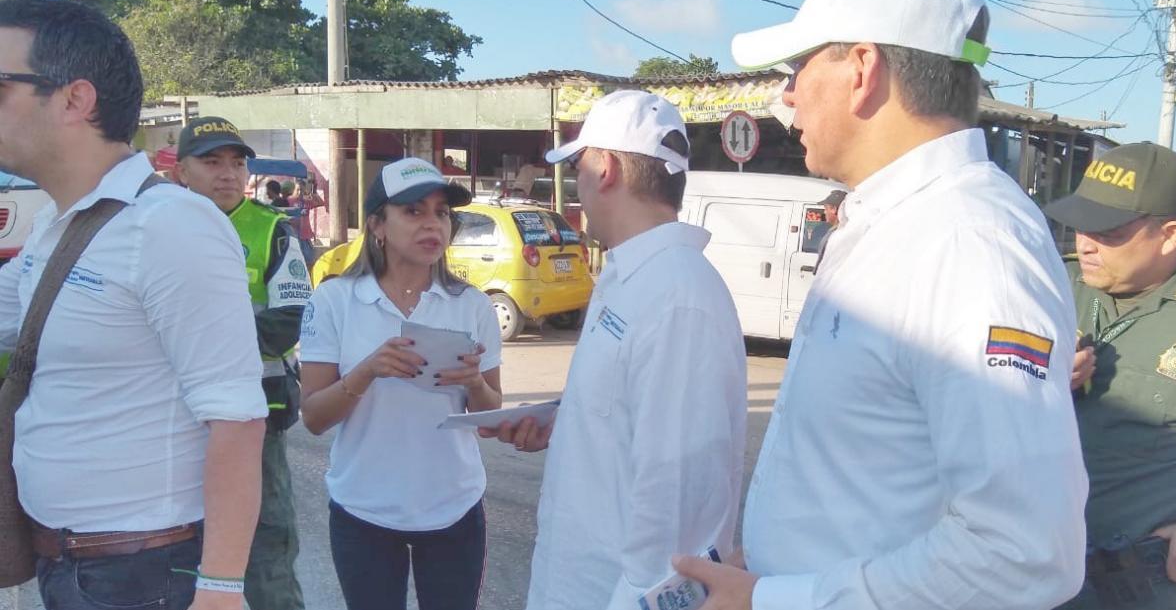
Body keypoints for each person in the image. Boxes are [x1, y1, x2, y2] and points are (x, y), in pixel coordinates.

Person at [675, 0, 1088, 610]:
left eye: (798, 66)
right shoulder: (892, 221)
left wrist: (780, 598)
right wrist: (775, 571)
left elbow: (1024, 550)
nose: (786, 98)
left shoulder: (969, 243)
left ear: (862, 68)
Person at [0, 0, 266, 608]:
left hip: (139, 574)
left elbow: (238, 418)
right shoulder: (60, 225)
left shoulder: (170, 225)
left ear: (74, 99)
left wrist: (221, 589)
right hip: (70, 566)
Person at [483, 90, 748, 610]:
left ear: (605, 168)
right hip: (573, 580)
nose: (576, 190)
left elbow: (676, 502)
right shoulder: (629, 276)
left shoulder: (677, 297)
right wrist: (568, 420)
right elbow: (637, 412)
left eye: (578, 168)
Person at [1043, 142, 1176, 610]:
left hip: (1139, 588)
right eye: (1081, 223)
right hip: (1029, 575)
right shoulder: (1055, 289)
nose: (1085, 242)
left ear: (1170, 234)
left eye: (1109, 231)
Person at [298, 157, 502, 610]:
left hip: (454, 509)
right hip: (363, 511)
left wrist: (474, 383)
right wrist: (366, 371)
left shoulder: (472, 306)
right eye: (413, 211)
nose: (432, 224)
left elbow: (490, 419)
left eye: (442, 213)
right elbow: (312, 418)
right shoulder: (335, 301)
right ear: (378, 226)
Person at [171, 116, 310, 610]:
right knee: (178, 542)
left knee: (267, 541)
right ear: (181, 170)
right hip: (173, 416)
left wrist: (197, 339)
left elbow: (289, 321)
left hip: (257, 415)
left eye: (237, 162)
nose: (228, 173)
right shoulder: (157, 227)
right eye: (212, 162)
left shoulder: (274, 231)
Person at [293, 178, 326, 266]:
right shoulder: (290, 201)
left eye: (302, 190)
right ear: (294, 190)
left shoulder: (306, 201)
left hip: (305, 236)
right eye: (298, 190)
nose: (300, 192)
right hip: (294, 236)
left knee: (310, 262)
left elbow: (320, 203)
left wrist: (313, 191)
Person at [807, 189, 846, 262]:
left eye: (826, 208)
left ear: (834, 209)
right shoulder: (835, 230)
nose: (824, 212)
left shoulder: (840, 233)